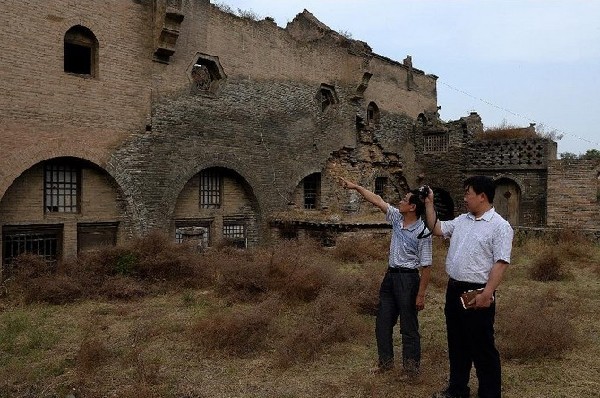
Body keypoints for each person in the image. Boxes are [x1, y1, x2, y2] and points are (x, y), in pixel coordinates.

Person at [424, 176, 514, 398]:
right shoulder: (462, 220)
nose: (465, 198)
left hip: (478, 292)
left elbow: (500, 263)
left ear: (482, 196)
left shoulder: (500, 226)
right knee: (457, 344)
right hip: (453, 290)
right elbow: (437, 229)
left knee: (482, 348)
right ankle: (457, 389)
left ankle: (489, 394)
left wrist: (487, 293)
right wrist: (428, 203)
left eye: (468, 193)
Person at [339, 177, 432, 379]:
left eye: (404, 200)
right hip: (390, 277)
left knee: (408, 327)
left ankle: (410, 370)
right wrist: (355, 187)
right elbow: (377, 200)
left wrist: (421, 294)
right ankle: (385, 363)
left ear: (412, 207)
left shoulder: (423, 232)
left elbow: (426, 266)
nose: (399, 201)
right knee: (383, 322)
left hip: (408, 281)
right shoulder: (397, 219)